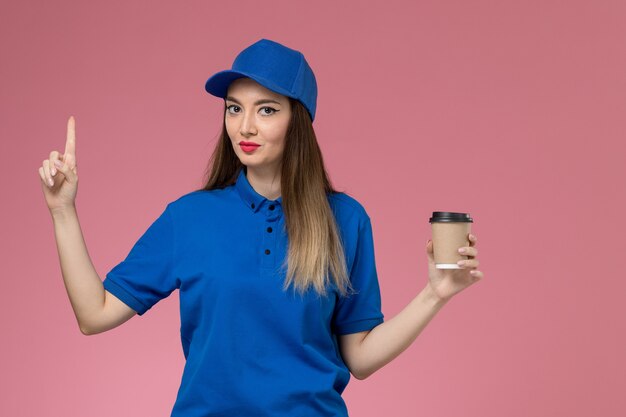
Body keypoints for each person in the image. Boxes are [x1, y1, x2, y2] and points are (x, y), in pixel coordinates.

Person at [38, 38, 483, 417]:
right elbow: (93, 315)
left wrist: (435, 294)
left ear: (299, 120)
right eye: (235, 109)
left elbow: (360, 358)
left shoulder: (346, 220)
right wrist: (63, 211)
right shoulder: (188, 218)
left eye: (266, 110)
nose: (245, 126)